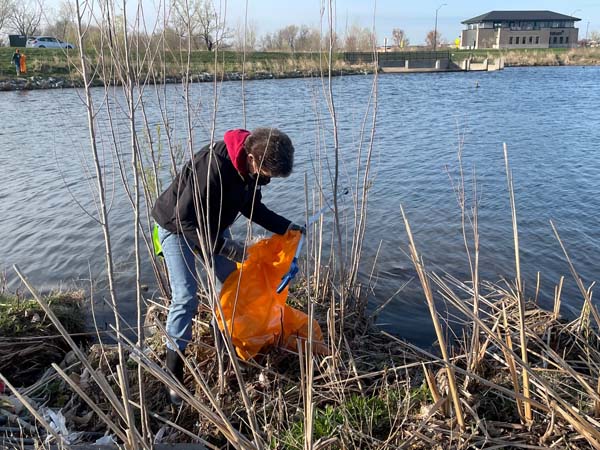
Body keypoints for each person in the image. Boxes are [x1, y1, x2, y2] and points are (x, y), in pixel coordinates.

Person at [151, 127, 303, 404]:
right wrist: (223, 247)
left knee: (232, 288)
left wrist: (286, 227)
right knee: (186, 297)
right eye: (266, 175)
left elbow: (253, 208)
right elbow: (185, 220)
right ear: (253, 159)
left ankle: (226, 350)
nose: (266, 180)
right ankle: (173, 373)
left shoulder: (250, 171)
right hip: (176, 228)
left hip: (213, 229)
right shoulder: (213, 167)